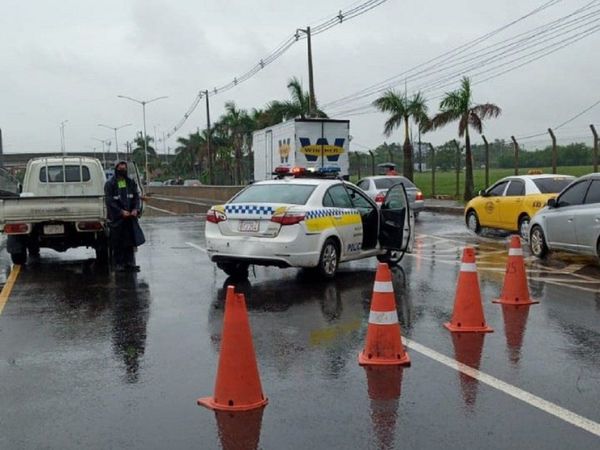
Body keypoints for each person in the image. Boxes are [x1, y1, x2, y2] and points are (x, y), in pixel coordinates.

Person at [104, 161, 145, 272]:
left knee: (130, 241)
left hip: (130, 218)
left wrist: (135, 209)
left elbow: (136, 197)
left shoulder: (130, 182)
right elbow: (109, 201)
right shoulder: (110, 184)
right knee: (118, 242)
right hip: (117, 219)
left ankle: (130, 263)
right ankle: (118, 263)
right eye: (120, 169)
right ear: (116, 169)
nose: (122, 170)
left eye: (124, 169)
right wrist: (121, 212)